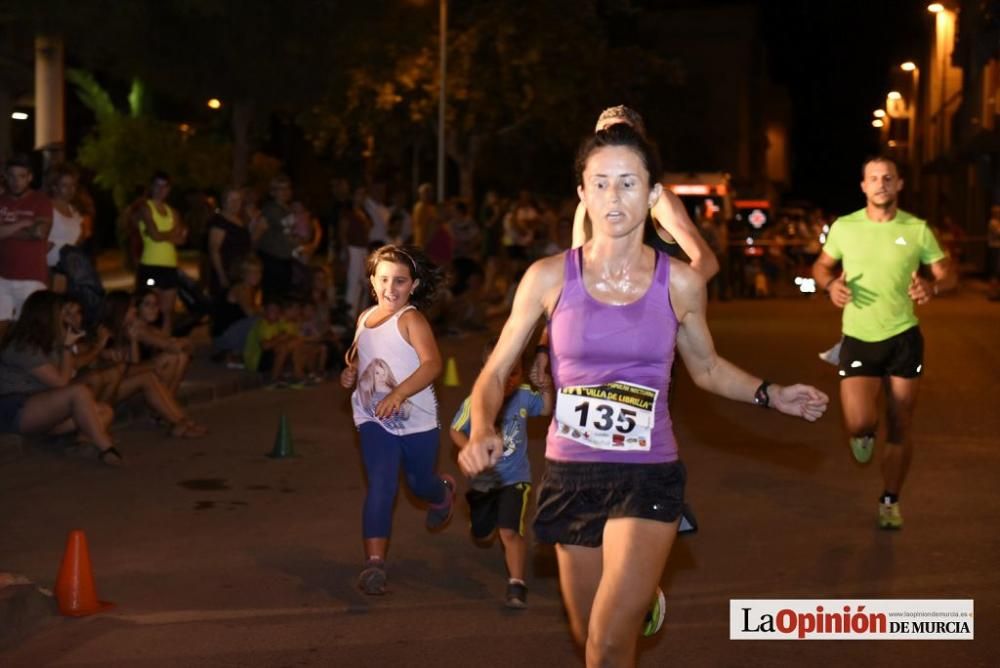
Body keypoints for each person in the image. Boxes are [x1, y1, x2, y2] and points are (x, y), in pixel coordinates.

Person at [459, 124, 828, 666]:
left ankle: (635, 585)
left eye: (629, 183)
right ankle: (639, 594)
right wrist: (485, 427)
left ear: (654, 195)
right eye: (601, 183)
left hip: (647, 472)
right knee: (592, 638)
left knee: (607, 647)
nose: (614, 196)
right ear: (582, 193)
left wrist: (773, 395)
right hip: (572, 474)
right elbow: (494, 373)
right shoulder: (546, 278)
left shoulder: (679, 283)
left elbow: (706, 368)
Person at [812, 156, 955, 530]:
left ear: (900, 185)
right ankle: (864, 434)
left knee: (901, 421)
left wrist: (932, 286)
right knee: (860, 422)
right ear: (863, 186)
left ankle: (890, 499)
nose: (881, 184)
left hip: (905, 336)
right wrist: (830, 285)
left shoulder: (917, 229)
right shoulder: (845, 227)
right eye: (873, 178)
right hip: (859, 337)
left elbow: (946, 272)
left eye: (888, 178)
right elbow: (820, 266)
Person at [339, 244, 453, 596]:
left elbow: (432, 364)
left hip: (416, 420)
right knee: (382, 484)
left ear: (414, 285)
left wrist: (400, 393)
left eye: (400, 281)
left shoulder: (411, 319)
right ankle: (374, 564)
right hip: (373, 418)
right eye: (384, 279)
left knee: (419, 485)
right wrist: (351, 373)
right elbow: (361, 358)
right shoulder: (365, 317)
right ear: (372, 281)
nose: (391, 288)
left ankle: (442, 492)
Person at [450, 340, 553, 609]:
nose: (508, 380)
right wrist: (471, 446)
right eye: (501, 371)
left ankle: (516, 584)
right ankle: (481, 518)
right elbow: (455, 430)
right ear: (487, 371)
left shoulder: (523, 396)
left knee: (509, 530)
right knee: (483, 534)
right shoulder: (476, 401)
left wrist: (545, 386)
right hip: (485, 480)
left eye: (515, 372)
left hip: (515, 478)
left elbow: (544, 409)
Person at [0, 290, 121, 465]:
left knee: (105, 411)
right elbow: (62, 382)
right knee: (79, 392)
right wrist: (67, 347)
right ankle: (107, 448)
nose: (65, 318)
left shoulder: (48, 341)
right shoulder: (22, 346)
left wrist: (70, 346)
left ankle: (83, 441)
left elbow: (71, 368)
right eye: (61, 313)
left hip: (42, 408)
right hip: (15, 409)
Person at [0, 154, 52, 329]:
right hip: (3, 277)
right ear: (5, 176)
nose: (16, 181)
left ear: (30, 177)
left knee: (30, 330)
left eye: (21, 176)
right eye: (12, 176)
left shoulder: (41, 201)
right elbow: (32, 231)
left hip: (32, 278)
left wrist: (6, 229)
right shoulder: (1, 201)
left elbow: (39, 232)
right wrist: (22, 223)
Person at [134, 172, 186, 335]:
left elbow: (181, 239)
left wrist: (162, 234)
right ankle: (146, 345)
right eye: (157, 185)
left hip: (170, 266)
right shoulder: (145, 207)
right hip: (151, 266)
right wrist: (171, 234)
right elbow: (154, 235)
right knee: (149, 308)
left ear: (169, 189)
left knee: (167, 311)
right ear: (151, 187)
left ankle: (165, 344)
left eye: (164, 186)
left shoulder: (173, 212)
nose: (160, 189)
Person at [206, 187, 252, 302]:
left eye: (238, 200)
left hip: (241, 272)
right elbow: (214, 249)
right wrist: (222, 275)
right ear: (224, 202)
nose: (235, 203)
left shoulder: (240, 221)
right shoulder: (219, 221)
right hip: (226, 272)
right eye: (231, 200)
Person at [987, 203, 1000, 301]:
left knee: (997, 271)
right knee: (994, 271)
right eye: (997, 212)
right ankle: (992, 293)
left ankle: (996, 293)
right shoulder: (993, 222)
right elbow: (998, 232)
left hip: (997, 249)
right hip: (995, 249)